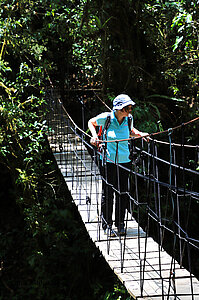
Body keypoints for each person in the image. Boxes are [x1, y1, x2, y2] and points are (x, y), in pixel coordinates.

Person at [88, 94, 148, 237]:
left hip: (125, 161)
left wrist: (140, 134)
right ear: (119, 108)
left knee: (123, 192)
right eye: (127, 108)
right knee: (108, 193)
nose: (130, 110)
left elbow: (130, 132)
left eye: (130, 108)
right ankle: (106, 224)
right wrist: (94, 136)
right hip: (108, 161)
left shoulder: (129, 119)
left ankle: (120, 224)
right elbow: (91, 122)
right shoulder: (107, 118)